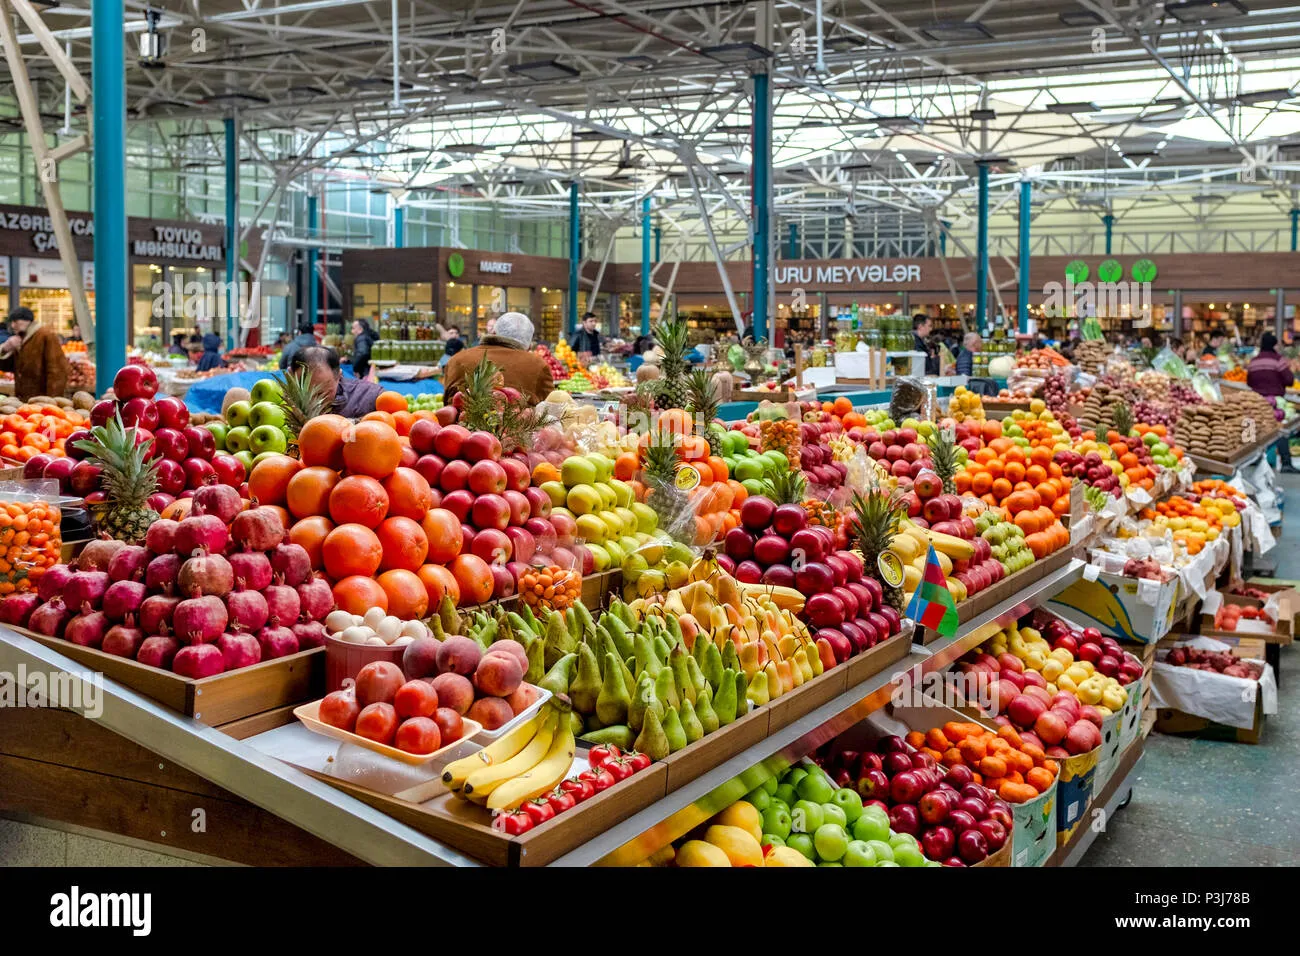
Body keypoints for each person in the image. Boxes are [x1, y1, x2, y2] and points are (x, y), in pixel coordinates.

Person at [443, 311, 554, 405]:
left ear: (493, 333)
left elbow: (447, 409)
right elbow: (549, 413)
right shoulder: (538, 366)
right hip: (520, 429)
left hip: (460, 430)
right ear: (529, 346)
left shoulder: (456, 360)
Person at [1246, 332, 1297, 473]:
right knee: (1280, 429)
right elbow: (1289, 380)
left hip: (1256, 400)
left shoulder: (1253, 361)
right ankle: (1286, 462)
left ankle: (1251, 458)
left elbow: (1249, 381)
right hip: (1275, 400)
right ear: (1273, 345)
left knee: (1255, 427)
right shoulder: (1278, 360)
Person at [291, 345, 384, 418]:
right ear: (291, 375)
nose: (314, 402)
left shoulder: (370, 395)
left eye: (321, 394)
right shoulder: (282, 403)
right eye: (304, 392)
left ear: (339, 376)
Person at [0, 307, 68, 400]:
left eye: (15, 321)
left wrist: (52, 400)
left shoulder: (45, 335)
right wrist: (5, 349)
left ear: (26, 320)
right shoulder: (21, 338)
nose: (12, 325)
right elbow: (9, 367)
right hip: (25, 400)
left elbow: (57, 370)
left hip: (41, 399)